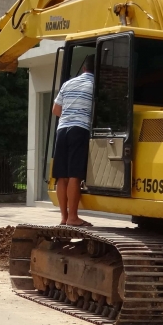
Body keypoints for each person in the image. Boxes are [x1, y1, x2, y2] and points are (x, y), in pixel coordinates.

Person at [51, 55, 95, 227]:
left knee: (62, 176)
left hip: (62, 130)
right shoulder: (95, 86)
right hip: (80, 129)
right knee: (75, 175)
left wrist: (70, 116)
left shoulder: (68, 83)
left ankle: (64, 217)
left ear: (84, 68)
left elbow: (56, 109)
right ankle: (73, 217)